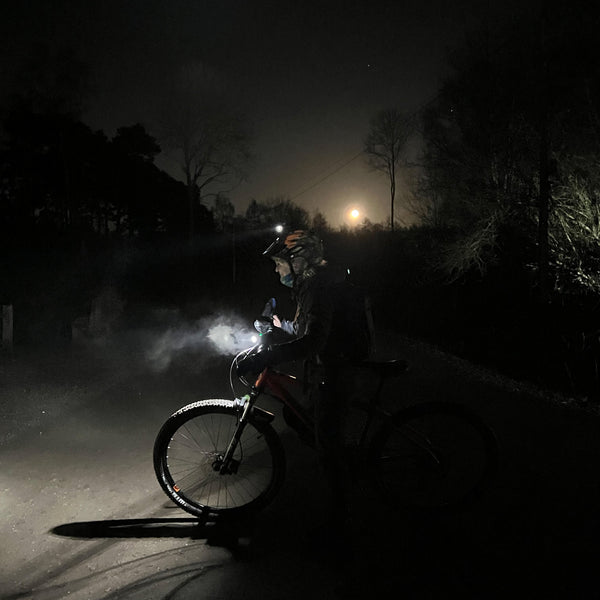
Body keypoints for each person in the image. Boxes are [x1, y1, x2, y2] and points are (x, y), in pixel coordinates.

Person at [237, 229, 372, 539]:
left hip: (336, 371)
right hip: (325, 369)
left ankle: (341, 528)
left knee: (328, 448)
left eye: (279, 263)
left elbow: (313, 341)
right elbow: (305, 328)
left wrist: (266, 357)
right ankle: (339, 460)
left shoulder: (319, 287)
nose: (276, 269)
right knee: (296, 417)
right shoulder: (312, 285)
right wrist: (277, 325)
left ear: (297, 261)